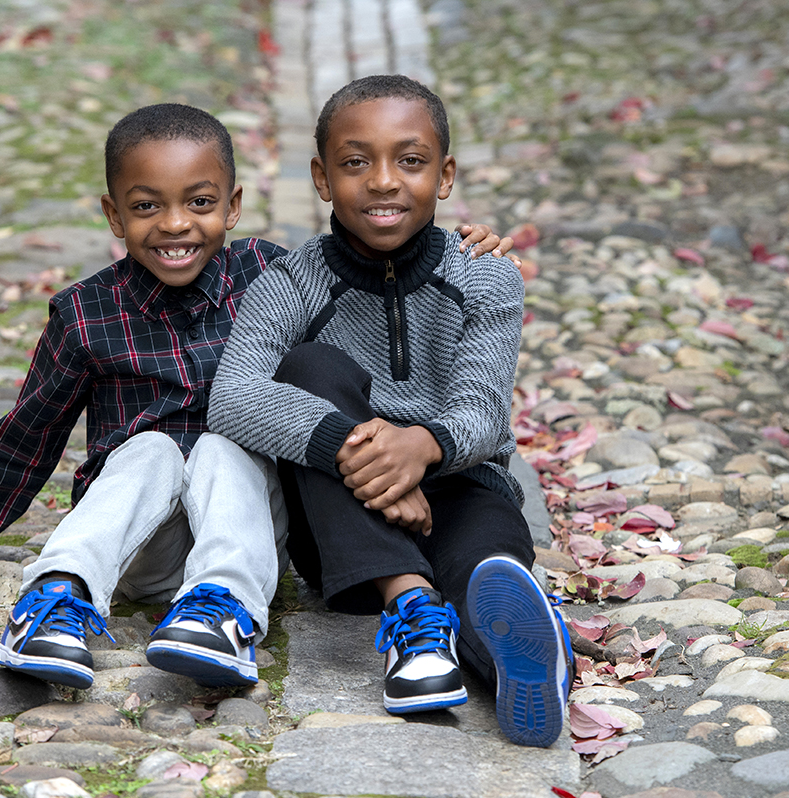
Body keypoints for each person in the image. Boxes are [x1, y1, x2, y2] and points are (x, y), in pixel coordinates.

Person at [0, 103, 510, 691]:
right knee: (149, 449)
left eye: (199, 202)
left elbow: (361, 302)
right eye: (147, 207)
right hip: (145, 541)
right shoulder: (85, 314)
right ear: (114, 215)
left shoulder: (271, 273)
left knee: (222, 448)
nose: (176, 225)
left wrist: (456, 249)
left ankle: (222, 614)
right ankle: (57, 597)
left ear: (231, 207)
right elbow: (28, 438)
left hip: (248, 527)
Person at [207, 75, 572, 747]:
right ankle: (410, 608)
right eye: (355, 162)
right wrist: (358, 451)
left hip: (462, 488)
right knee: (310, 368)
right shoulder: (291, 281)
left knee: (487, 578)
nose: (383, 180)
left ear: (445, 174)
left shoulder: (483, 274)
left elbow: (484, 412)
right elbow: (232, 394)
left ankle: (532, 664)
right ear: (321, 177)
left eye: (410, 160)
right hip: (346, 518)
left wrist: (422, 447)